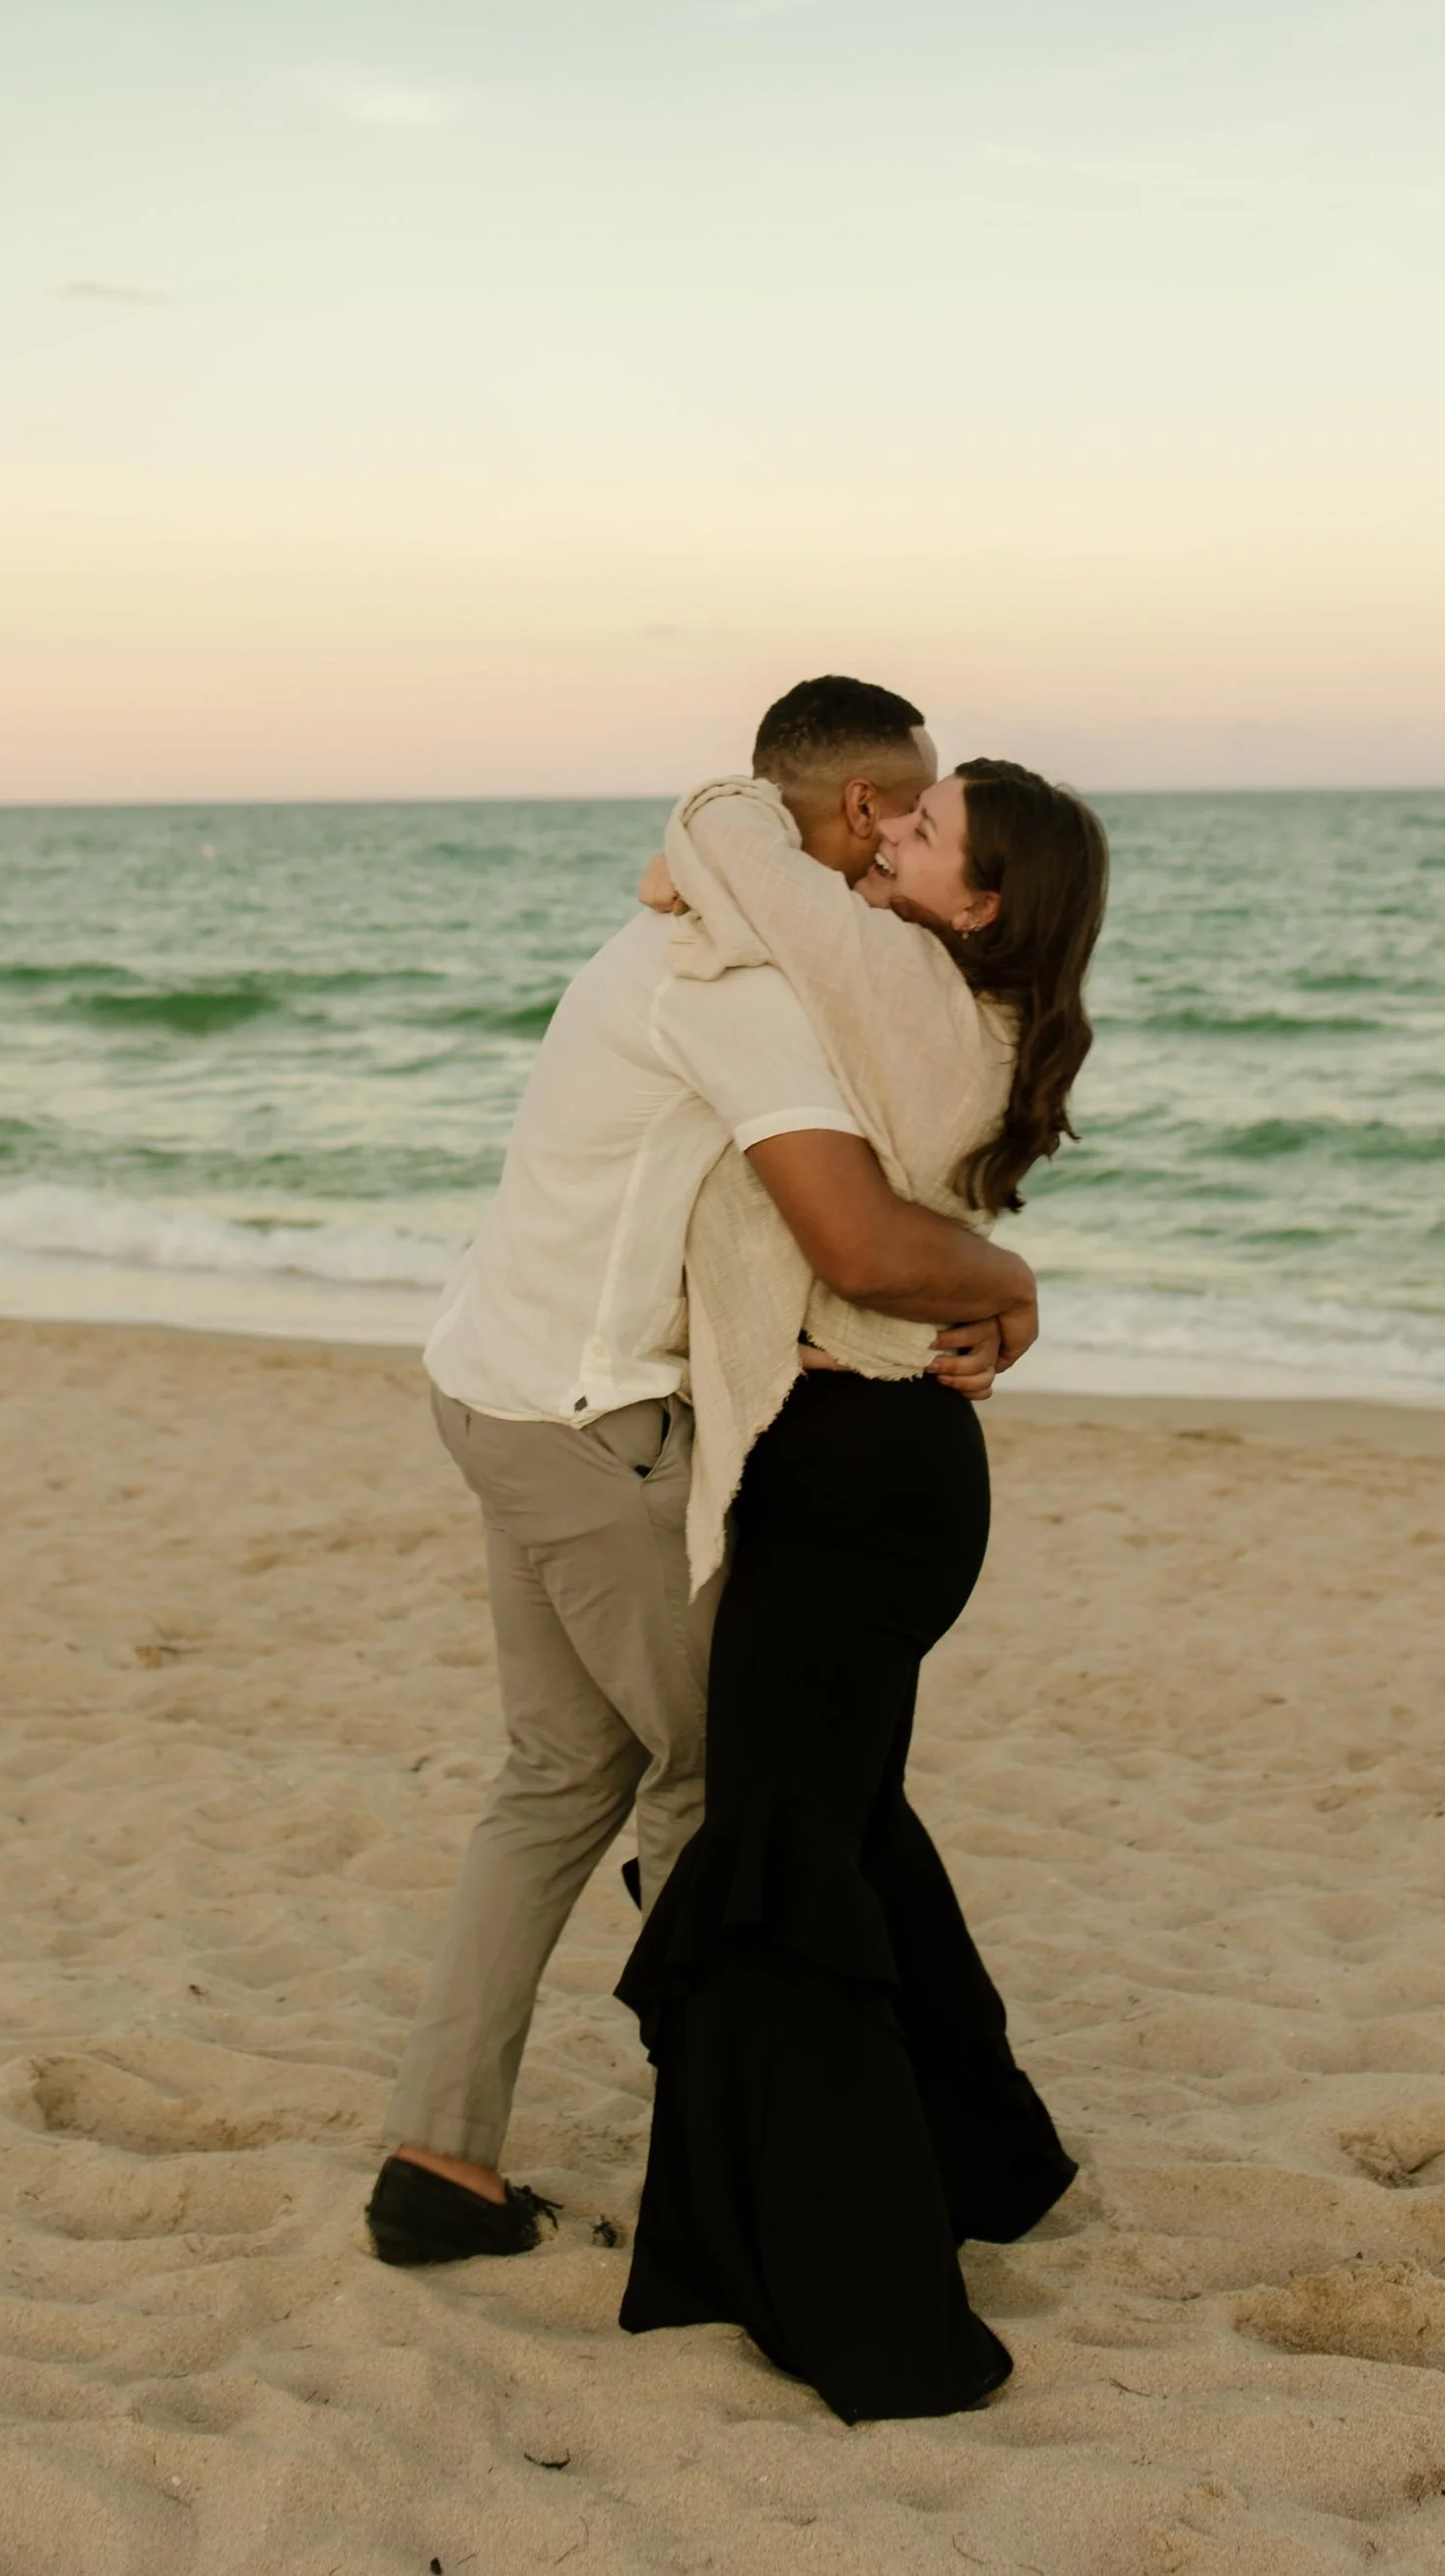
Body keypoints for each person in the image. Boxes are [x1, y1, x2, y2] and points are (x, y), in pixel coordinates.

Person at [365, 678, 1042, 2270]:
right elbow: (858, 1235)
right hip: (595, 1430)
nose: (898, 855)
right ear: (869, 813)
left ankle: (436, 2159)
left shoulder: (672, 928)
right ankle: (749, 2193)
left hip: (493, 1384)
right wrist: (1009, 1286)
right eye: (914, 806)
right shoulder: (738, 984)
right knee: (719, 1801)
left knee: (552, 1782)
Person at [616, 751, 1111, 2420]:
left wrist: (728, 813)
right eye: (892, 805)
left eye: (926, 823)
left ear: (979, 903)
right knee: (846, 1829)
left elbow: (717, 840)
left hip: (855, 1479)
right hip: (886, 1475)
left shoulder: (895, 974)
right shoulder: (968, 994)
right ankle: (993, 2156)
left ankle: (869, 2304)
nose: (885, 829)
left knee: (781, 1861)